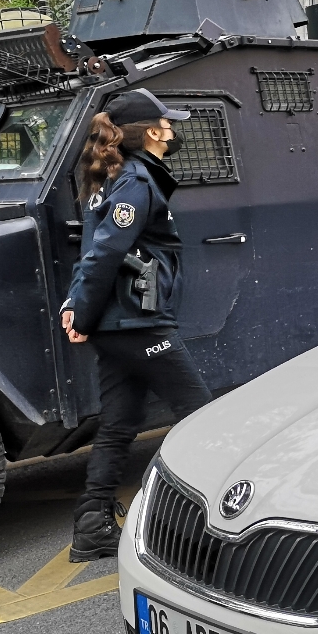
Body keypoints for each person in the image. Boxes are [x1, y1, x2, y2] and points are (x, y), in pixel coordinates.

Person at [61, 89, 212, 562]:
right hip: (137, 323)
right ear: (150, 132)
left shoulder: (113, 179)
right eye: (167, 122)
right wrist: (80, 310)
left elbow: (92, 249)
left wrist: (77, 306)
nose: (173, 128)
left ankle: (92, 526)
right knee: (203, 417)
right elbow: (104, 252)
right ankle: (200, 527)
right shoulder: (136, 183)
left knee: (118, 423)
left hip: (119, 322)